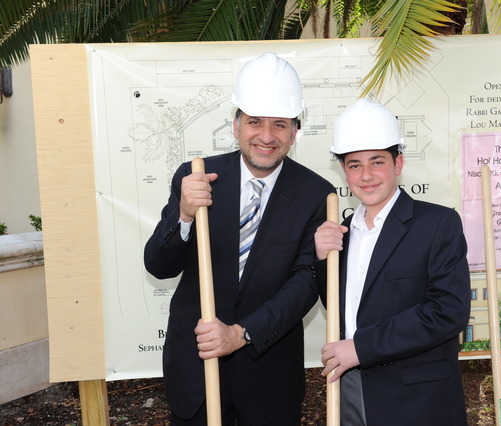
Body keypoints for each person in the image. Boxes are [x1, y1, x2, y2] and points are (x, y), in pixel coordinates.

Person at [144, 52, 335, 426]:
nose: (266, 136)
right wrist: (184, 214)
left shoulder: (316, 195)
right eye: (254, 122)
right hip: (196, 368)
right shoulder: (197, 177)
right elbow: (158, 266)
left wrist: (241, 334)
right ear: (236, 126)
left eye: (279, 124)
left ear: (295, 131)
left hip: (268, 375)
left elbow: (304, 284)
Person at [314, 99, 471, 425]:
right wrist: (321, 259)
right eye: (354, 165)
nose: (366, 175)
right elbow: (343, 310)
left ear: (398, 163)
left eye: (377, 162)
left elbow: (448, 311)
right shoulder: (342, 233)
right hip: (351, 389)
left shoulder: (437, 224)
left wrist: (361, 347)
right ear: (344, 171)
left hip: (417, 400)